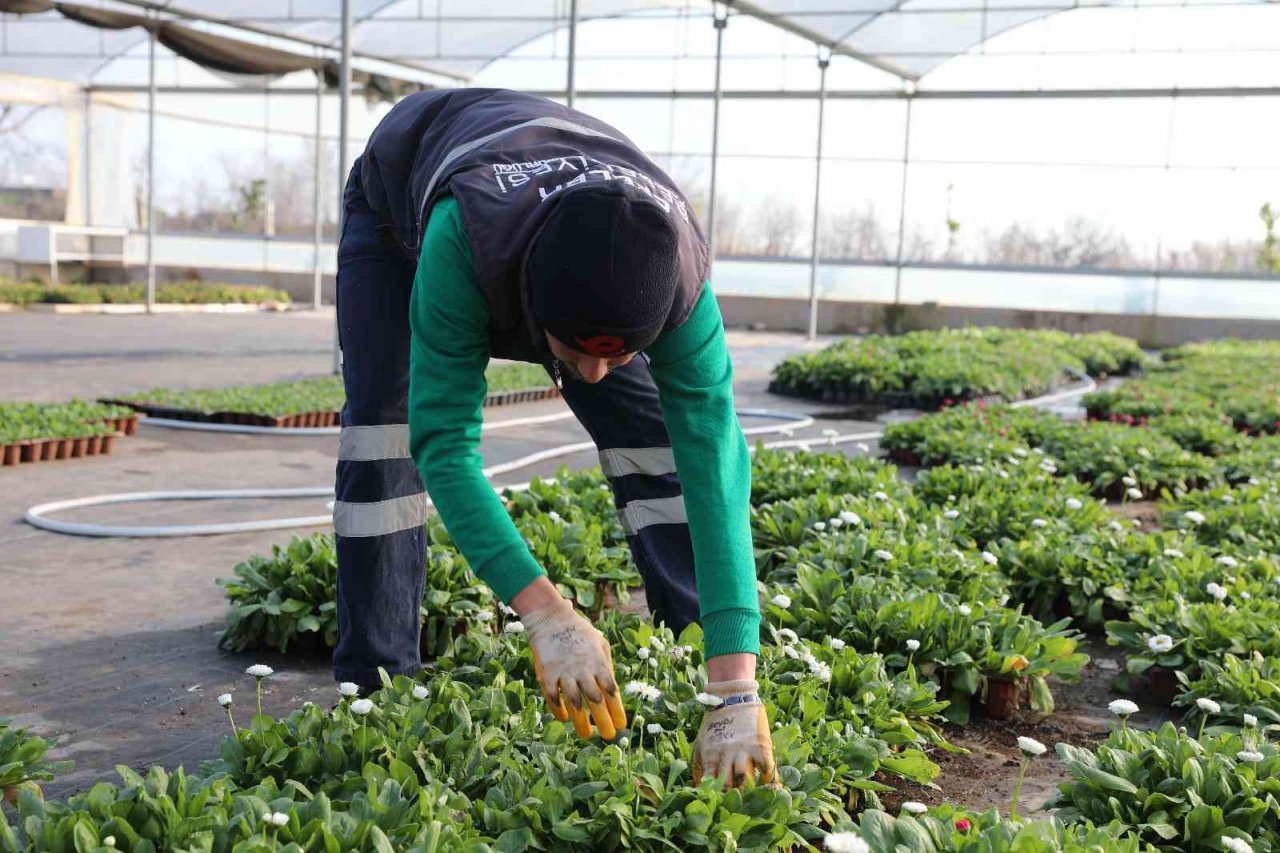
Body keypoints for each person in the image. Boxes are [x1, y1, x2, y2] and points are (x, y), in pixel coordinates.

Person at [332, 88, 774, 786]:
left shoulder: (681, 281)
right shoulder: (463, 247)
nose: (597, 373)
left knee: (652, 430)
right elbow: (444, 443)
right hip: (400, 205)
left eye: (619, 353)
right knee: (384, 436)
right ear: (529, 311)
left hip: (568, 225)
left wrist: (736, 683)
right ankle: (375, 691)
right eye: (578, 351)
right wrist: (546, 613)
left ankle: (691, 647)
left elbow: (716, 466)